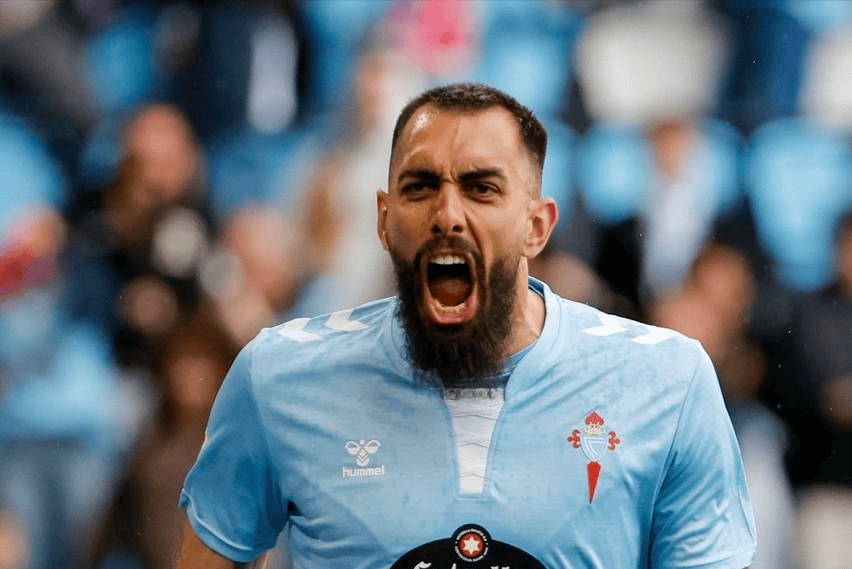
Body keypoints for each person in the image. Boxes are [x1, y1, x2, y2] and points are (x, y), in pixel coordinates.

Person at [174, 83, 757, 568]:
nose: (447, 214)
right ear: (384, 221)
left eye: (481, 189)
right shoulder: (279, 376)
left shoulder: (668, 382)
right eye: (420, 187)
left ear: (537, 227)